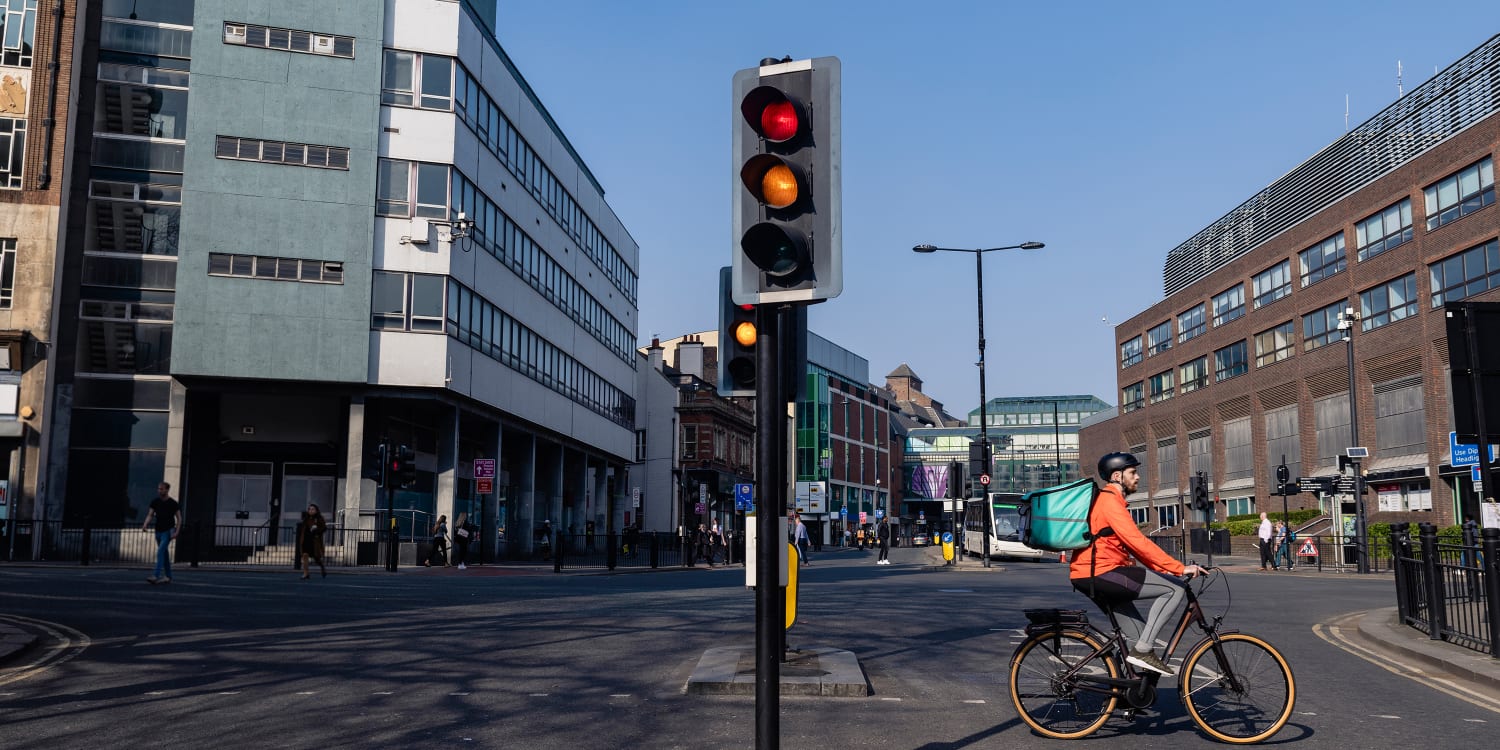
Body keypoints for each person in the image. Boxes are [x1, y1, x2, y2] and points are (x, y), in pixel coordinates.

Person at [1071, 452, 1206, 677]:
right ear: (1117, 476)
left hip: (1092, 574)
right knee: (1175, 588)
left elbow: (1133, 547)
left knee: (1140, 639)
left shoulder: (1107, 500)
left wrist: (1164, 568)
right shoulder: (1109, 501)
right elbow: (1137, 541)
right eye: (1132, 472)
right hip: (1102, 572)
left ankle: (1126, 696)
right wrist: (1179, 569)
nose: (1138, 477)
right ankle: (1142, 651)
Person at [141, 482, 180, 585]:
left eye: (162, 489)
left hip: (168, 531)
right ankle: (168, 576)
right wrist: (145, 524)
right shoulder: (155, 502)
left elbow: (179, 518)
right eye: (158, 489)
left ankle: (155, 575)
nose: (159, 491)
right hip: (158, 531)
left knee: (160, 551)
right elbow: (150, 514)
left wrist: (176, 531)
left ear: (167, 490)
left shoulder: (173, 503)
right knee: (164, 554)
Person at [299, 503, 328, 579]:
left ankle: (322, 567)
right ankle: (306, 573)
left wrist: (317, 529)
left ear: (316, 510)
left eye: (312, 509)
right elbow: (303, 528)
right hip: (306, 540)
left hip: (314, 541)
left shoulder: (319, 518)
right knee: (305, 555)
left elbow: (324, 528)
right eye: (309, 509)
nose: (311, 511)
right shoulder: (306, 518)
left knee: (316, 558)